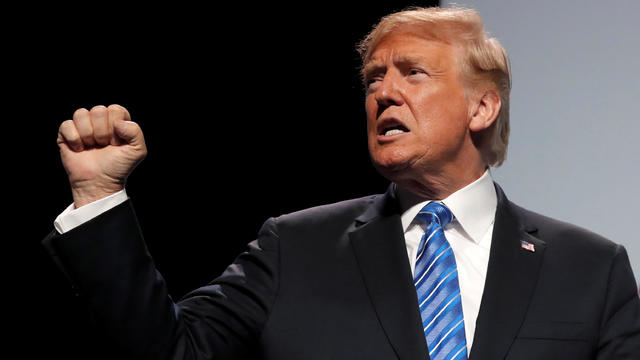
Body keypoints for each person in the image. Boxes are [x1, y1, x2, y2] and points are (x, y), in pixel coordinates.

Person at [44, 6, 639, 360]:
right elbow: (172, 352)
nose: (383, 91)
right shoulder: (294, 248)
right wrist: (99, 198)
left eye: (413, 73)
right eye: (374, 77)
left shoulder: (592, 268)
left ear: (481, 108)